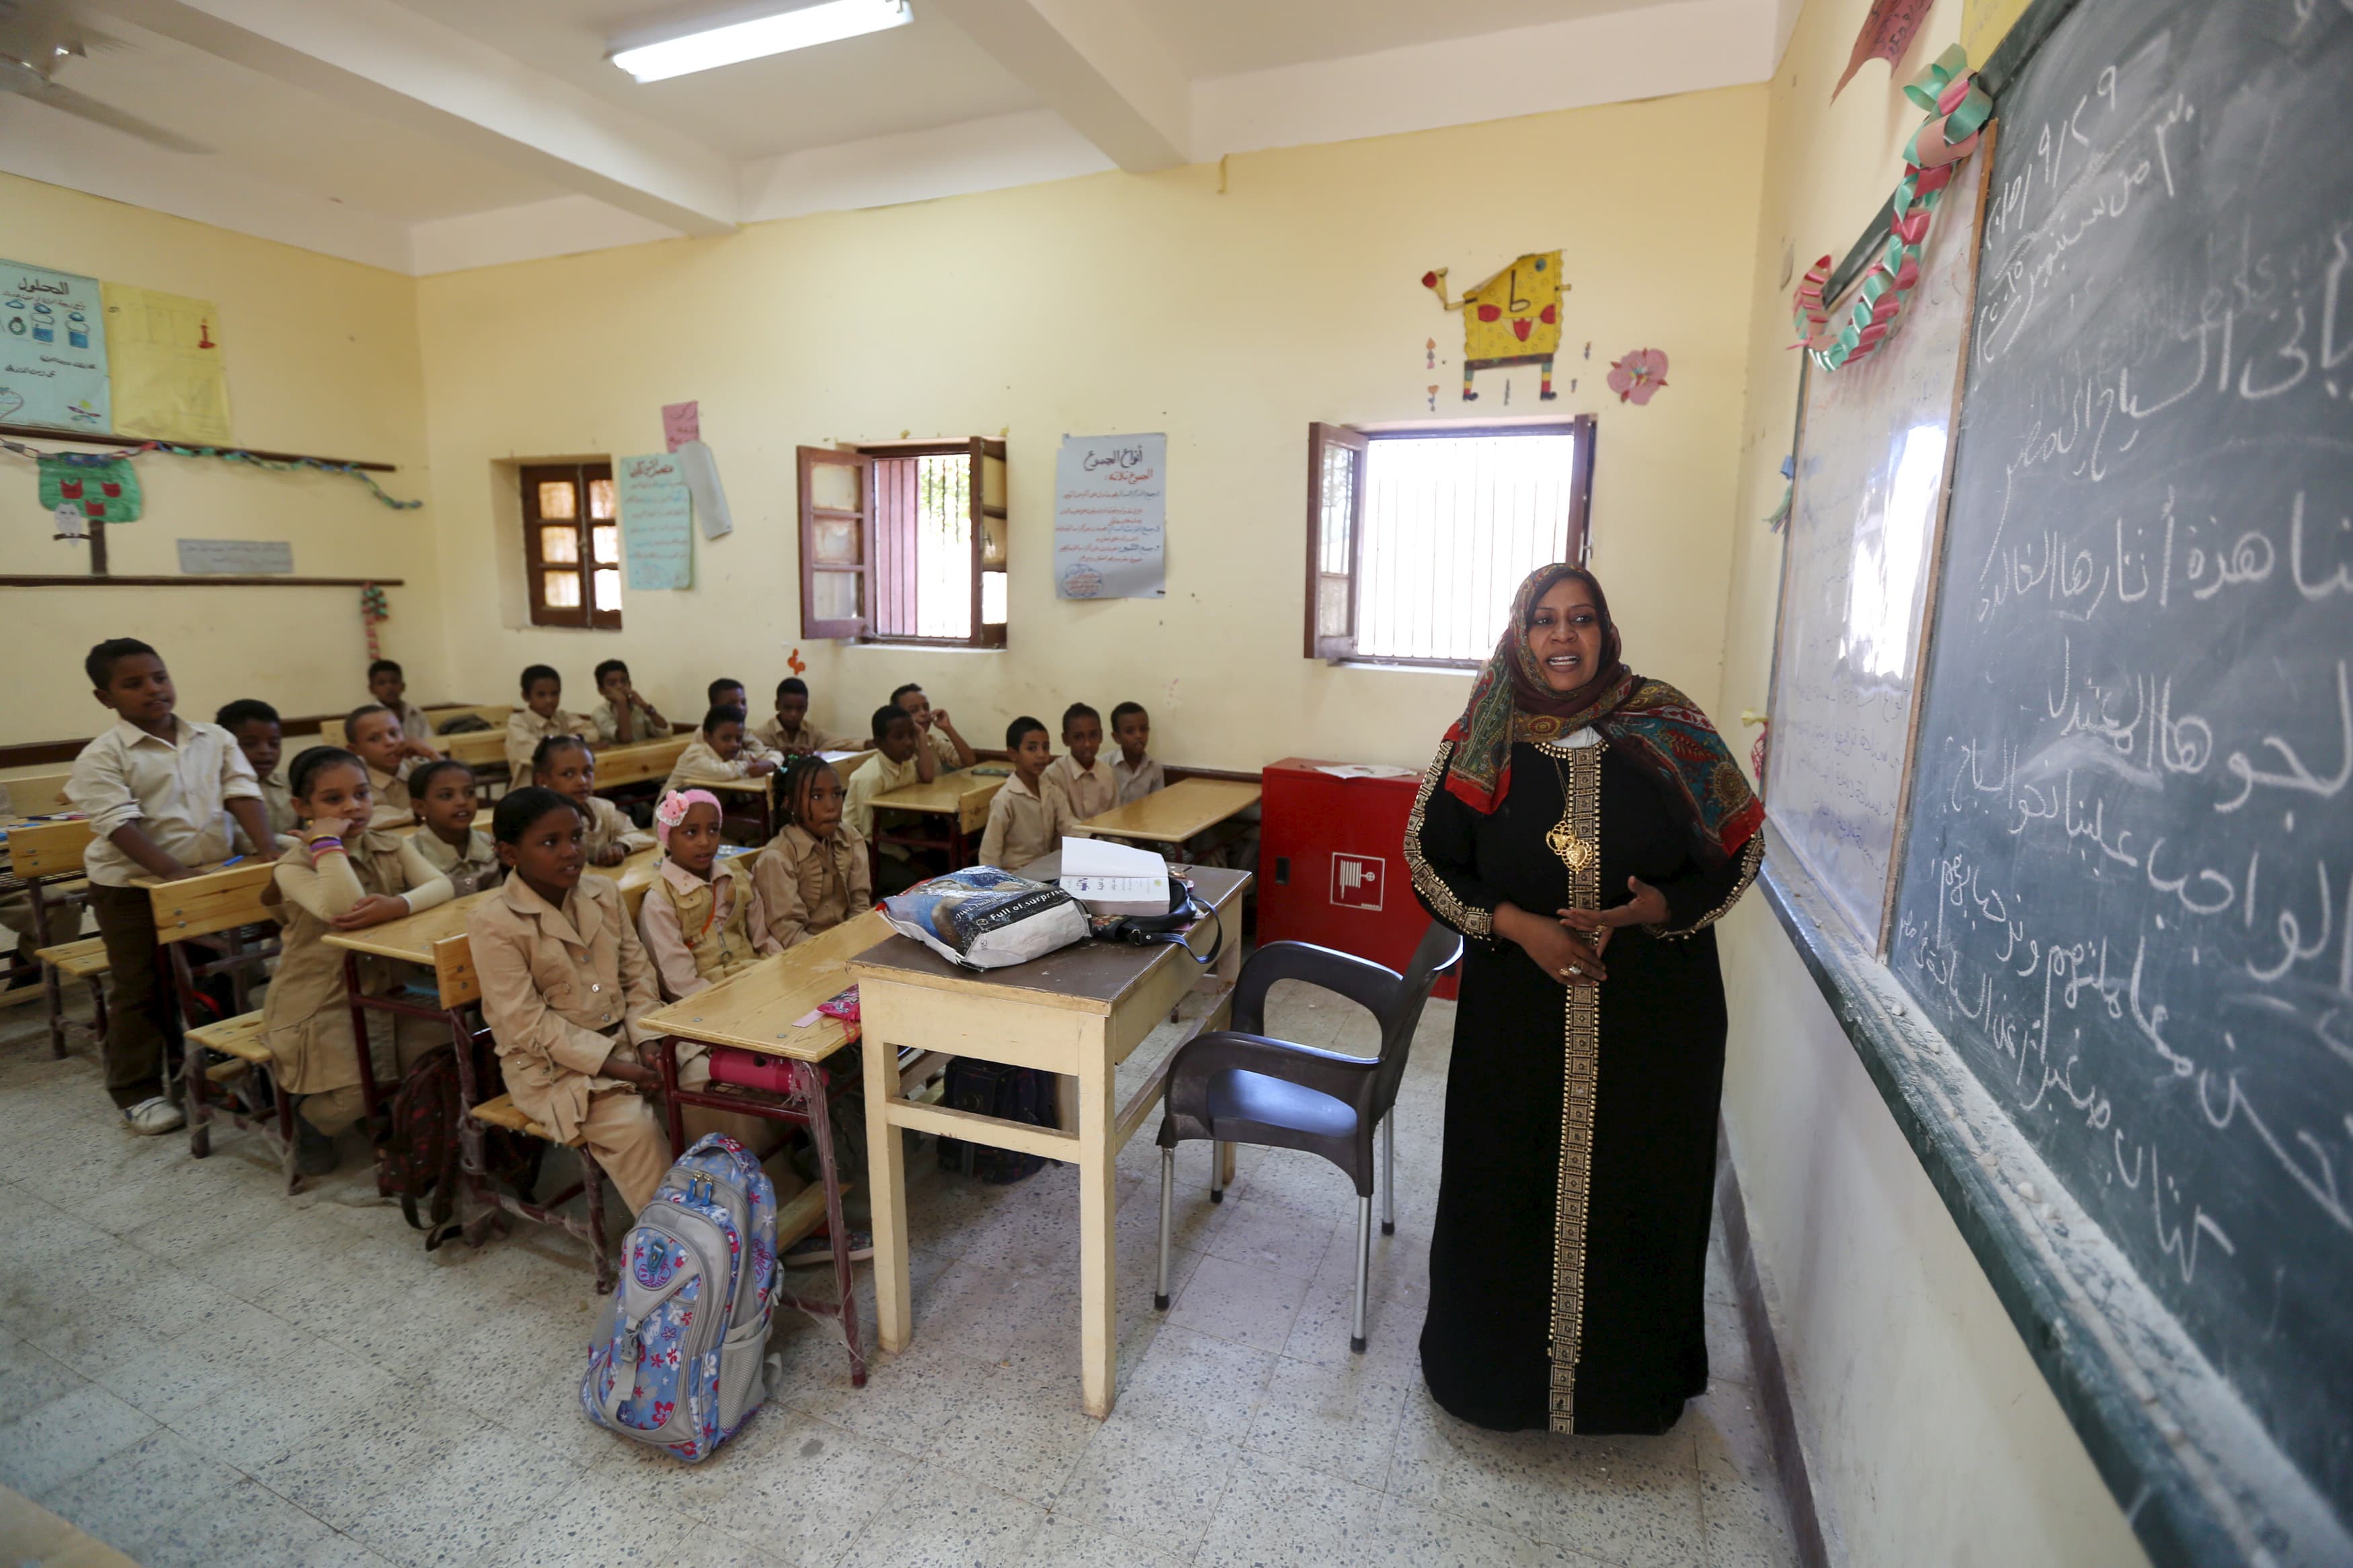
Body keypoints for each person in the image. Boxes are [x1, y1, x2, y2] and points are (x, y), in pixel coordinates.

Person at [1405, 565, 1763, 1436]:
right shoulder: (1483, 735)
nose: (1563, 638)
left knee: (1640, 1199)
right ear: (1522, 632)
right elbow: (1426, 858)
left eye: (1582, 619)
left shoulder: (1668, 724)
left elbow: (1740, 851)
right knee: (1506, 1191)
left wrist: (1660, 908)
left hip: (1654, 1024)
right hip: (1515, 1029)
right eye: (1545, 621)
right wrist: (1520, 925)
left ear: (1606, 631)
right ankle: (1493, 1384)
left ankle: (1626, 1391)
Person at [66, 638, 272, 1134]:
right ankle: (137, 1091)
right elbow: (120, 825)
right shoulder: (102, 756)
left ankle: (221, 1067)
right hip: (131, 888)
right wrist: (177, 880)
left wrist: (268, 851)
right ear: (105, 697)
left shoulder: (213, 737)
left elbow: (241, 792)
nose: (153, 689)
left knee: (217, 972)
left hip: (206, 878)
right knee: (142, 987)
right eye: (133, 684)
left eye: (159, 677)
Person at [467, 787, 673, 1213]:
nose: (570, 852)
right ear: (509, 853)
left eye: (576, 837)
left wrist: (648, 1043)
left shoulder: (602, 892)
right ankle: (681, 1252)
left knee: (706, 1084)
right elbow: (527, 1024)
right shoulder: (494, 924)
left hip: (629, 1042)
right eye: (550, 843)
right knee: (636, 1128)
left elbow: (637, 975)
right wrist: (619, 1067)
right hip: (551, 1069)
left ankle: (745, 1219)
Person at [260, 746, 454, 1175]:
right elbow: (343, 912)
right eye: (333, 800)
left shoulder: (388, 843)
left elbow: (442, 886)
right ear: (301, 808)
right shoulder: (291, 867)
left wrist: (399, 905)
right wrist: (328, 842)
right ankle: (311, 1122)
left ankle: (384, 1113)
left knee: (434, 1055)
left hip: (382, 987)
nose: (353, 806)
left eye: (362, 794)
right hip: (319, 1000)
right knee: (355, 1088)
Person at [639, 788, 779, 1006]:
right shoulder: (661, 900)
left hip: (759, 981)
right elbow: (680, 983)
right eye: (691, 833)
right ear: (668, 838)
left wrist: (781, 972)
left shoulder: (737, 877)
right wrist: (738, 1003)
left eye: (713, 830)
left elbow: (765, 940)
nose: (705, 841)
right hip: (711, 1002)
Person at [753, 755, 873, 950]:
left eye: (837, 794)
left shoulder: (850, 838)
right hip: (804, 956)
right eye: (817, 797)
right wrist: (833, 955)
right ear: (789, 803)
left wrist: (855, 945)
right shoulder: (778, 858)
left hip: (849, 945)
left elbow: (860, 903)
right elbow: (789, 934)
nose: (831, 806)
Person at [536, 735, 654, 867]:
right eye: (568, 774)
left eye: (587, 771)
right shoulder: (535, 823)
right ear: (542, 781)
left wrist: (620, 846)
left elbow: (643, 837)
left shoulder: (602, 809)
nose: (582, 781)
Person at [978, 716, 1074, 869]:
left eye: (1046, 747)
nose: (1042, 755)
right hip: (1015, 877)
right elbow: (989, 853)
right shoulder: (1005, 799)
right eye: (1032, 748)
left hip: (1046, 872)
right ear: (1013, 754)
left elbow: (1070, 828)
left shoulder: (1051, 791)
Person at [408, 759, 501, 896]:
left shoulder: (492, 845)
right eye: (446, 796)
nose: (462, 802)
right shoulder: (410, 855)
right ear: (421, 807)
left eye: (469, 793)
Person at [215, 698, 295, 843]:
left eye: (274, 744)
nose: (265, 751)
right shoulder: (218, 793)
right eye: (250, 744)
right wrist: (299, 843)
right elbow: (241, 840)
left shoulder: (290, 784)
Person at [842, 704, 923, 843]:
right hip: (858, 842)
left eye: (912, 735)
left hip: (892, 831)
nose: (909, 742)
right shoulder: (871, 777)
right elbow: (868, 834)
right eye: (899, 737)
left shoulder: (908, 765)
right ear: (879, 743)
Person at [344, 704, 434, 828]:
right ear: (354, 750)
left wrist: (433, 755)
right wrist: (424, 813)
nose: (390, 742)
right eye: (374, 739)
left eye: (394, 733)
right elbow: (367, 819)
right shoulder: (352, 782)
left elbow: (456, 792)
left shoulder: (418, 767)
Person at [662, 704, 778, 799]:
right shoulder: (694, 754)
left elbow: (774, 755)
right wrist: (748, 765)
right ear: (707, 737)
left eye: (738, 739)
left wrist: (770, 764)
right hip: (670, 818)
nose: (734, 744)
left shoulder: (735, 754)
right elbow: (720, 772)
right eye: (726, 738)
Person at [504, 665, 591, 778]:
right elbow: (540, 754)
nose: (549, 700)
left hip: (566, 787)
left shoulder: (564, 717)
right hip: (530, 790)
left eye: (555, 694)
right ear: (525, 696)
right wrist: (578, 745)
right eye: (541, 695)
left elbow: (592, 734)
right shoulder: (518, 722)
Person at [1042, 702, 1117, 822]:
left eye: (1093, 735)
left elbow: (1114, 820)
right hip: (1067, 840)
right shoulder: (1053, 776)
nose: (1087, 744)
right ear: (1065, 739)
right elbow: (1061, 826)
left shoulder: (1108, 773)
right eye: (1078, 737)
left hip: (1104, 839)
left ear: (1101, 736)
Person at [891, 683, 974, 780]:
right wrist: (921, 734)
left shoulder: (932, 741)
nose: (924, 713)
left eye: (926, 708)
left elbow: (969, 762)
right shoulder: (896, 749)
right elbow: (926, 777)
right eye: (914, 710)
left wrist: (948, 728)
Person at [756, 676, 848, 758]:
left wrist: (863, 745)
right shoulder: (762, 734)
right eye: (788, 708)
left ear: (806, 707)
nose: (794, 714)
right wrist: (784, 752)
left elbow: (842, 743)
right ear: (777, 705)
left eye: (800, 708)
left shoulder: (812, 731)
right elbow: (753, 757)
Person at [590, 659, 669, 745]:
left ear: (630, 684)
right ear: (601, 690)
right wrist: (621, 703)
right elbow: (626, 739)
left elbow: (665, 732)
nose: (620, 686)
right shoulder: (599, 713)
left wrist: (644, 705)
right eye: (612, 683)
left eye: (624, 681)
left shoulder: (638, 707)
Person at [366, 659, 436, 743]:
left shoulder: (415, 712)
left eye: (394, 682)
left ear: (403, 686)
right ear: (372, 689)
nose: (389, 687)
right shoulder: (369, 718)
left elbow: (431, 741)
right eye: (382, 683)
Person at [1109, 701, 1166, 805]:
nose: (1139, 736)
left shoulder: (1155, 768)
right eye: (1130, 731)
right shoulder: (1105, 766)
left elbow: (1158, 806)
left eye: (1144, 729)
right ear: (1116, 737)